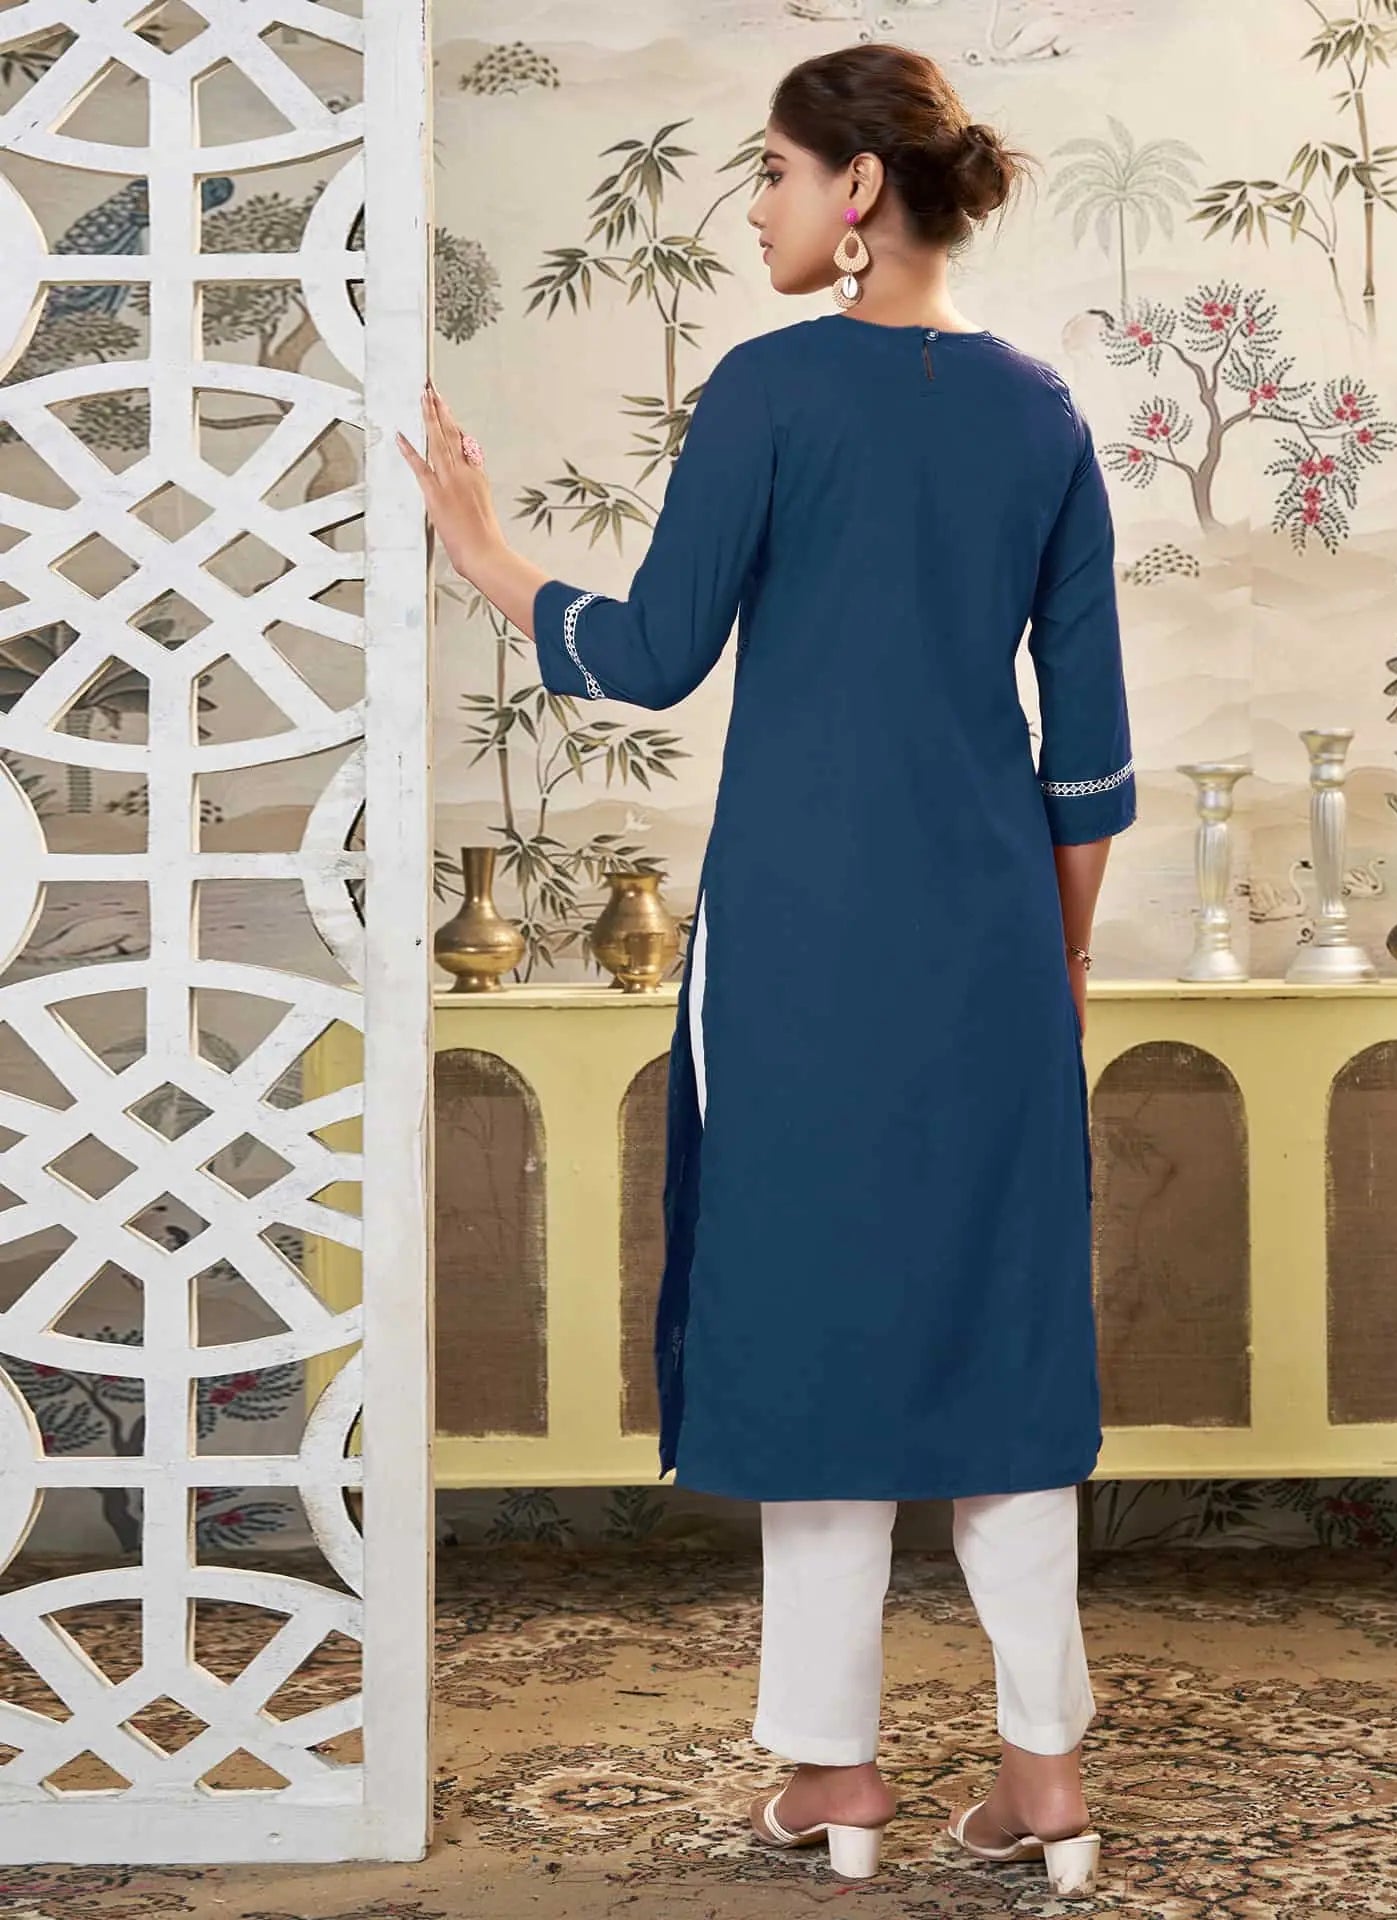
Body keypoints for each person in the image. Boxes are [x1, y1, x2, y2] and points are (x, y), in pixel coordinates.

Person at [400, 40, 1134, 1901]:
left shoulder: (767, 390)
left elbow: (653, 654)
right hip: (992, 937)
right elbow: (1089, 754)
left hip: (804, 936)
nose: (755, 212)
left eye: (776, 176)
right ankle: (1043, 1770)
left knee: (813, 1313)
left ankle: (835, 1773)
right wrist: (1055, 960)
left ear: (857, 191)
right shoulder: (1042, 412)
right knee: (997, 1319)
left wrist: (485, 555)